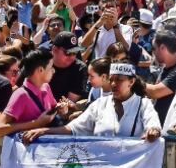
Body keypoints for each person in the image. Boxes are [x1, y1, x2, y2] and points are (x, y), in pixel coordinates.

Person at [22, 61, 160, 143]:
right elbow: (72, 129)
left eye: (119, 80)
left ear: (131, 82)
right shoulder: (99, 105)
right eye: (111, 79)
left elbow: (152, 124)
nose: (113, 84)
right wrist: (43, 131)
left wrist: (153, 131)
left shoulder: (144, 104)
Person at [0, 49, 65, 137]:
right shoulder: (20, 95)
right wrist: (35, 124)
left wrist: (61, 109)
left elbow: (53, 109)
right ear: (40, 70)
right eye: (51, 67)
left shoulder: (46, 87)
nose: (53, 71)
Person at [145, 31, 176, 122]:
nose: (152, 52)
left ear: (162, 48)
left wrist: (131, 80)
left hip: (170, 132)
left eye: (154, 48)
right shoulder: (166, 68)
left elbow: (155, 92)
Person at [49, 31, 88, 103]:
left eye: (75, 53)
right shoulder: (42, 63)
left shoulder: (79, 68)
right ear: (54, 50)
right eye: (68, 53)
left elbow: (69, 102)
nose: (72, 57)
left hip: (64, 110)